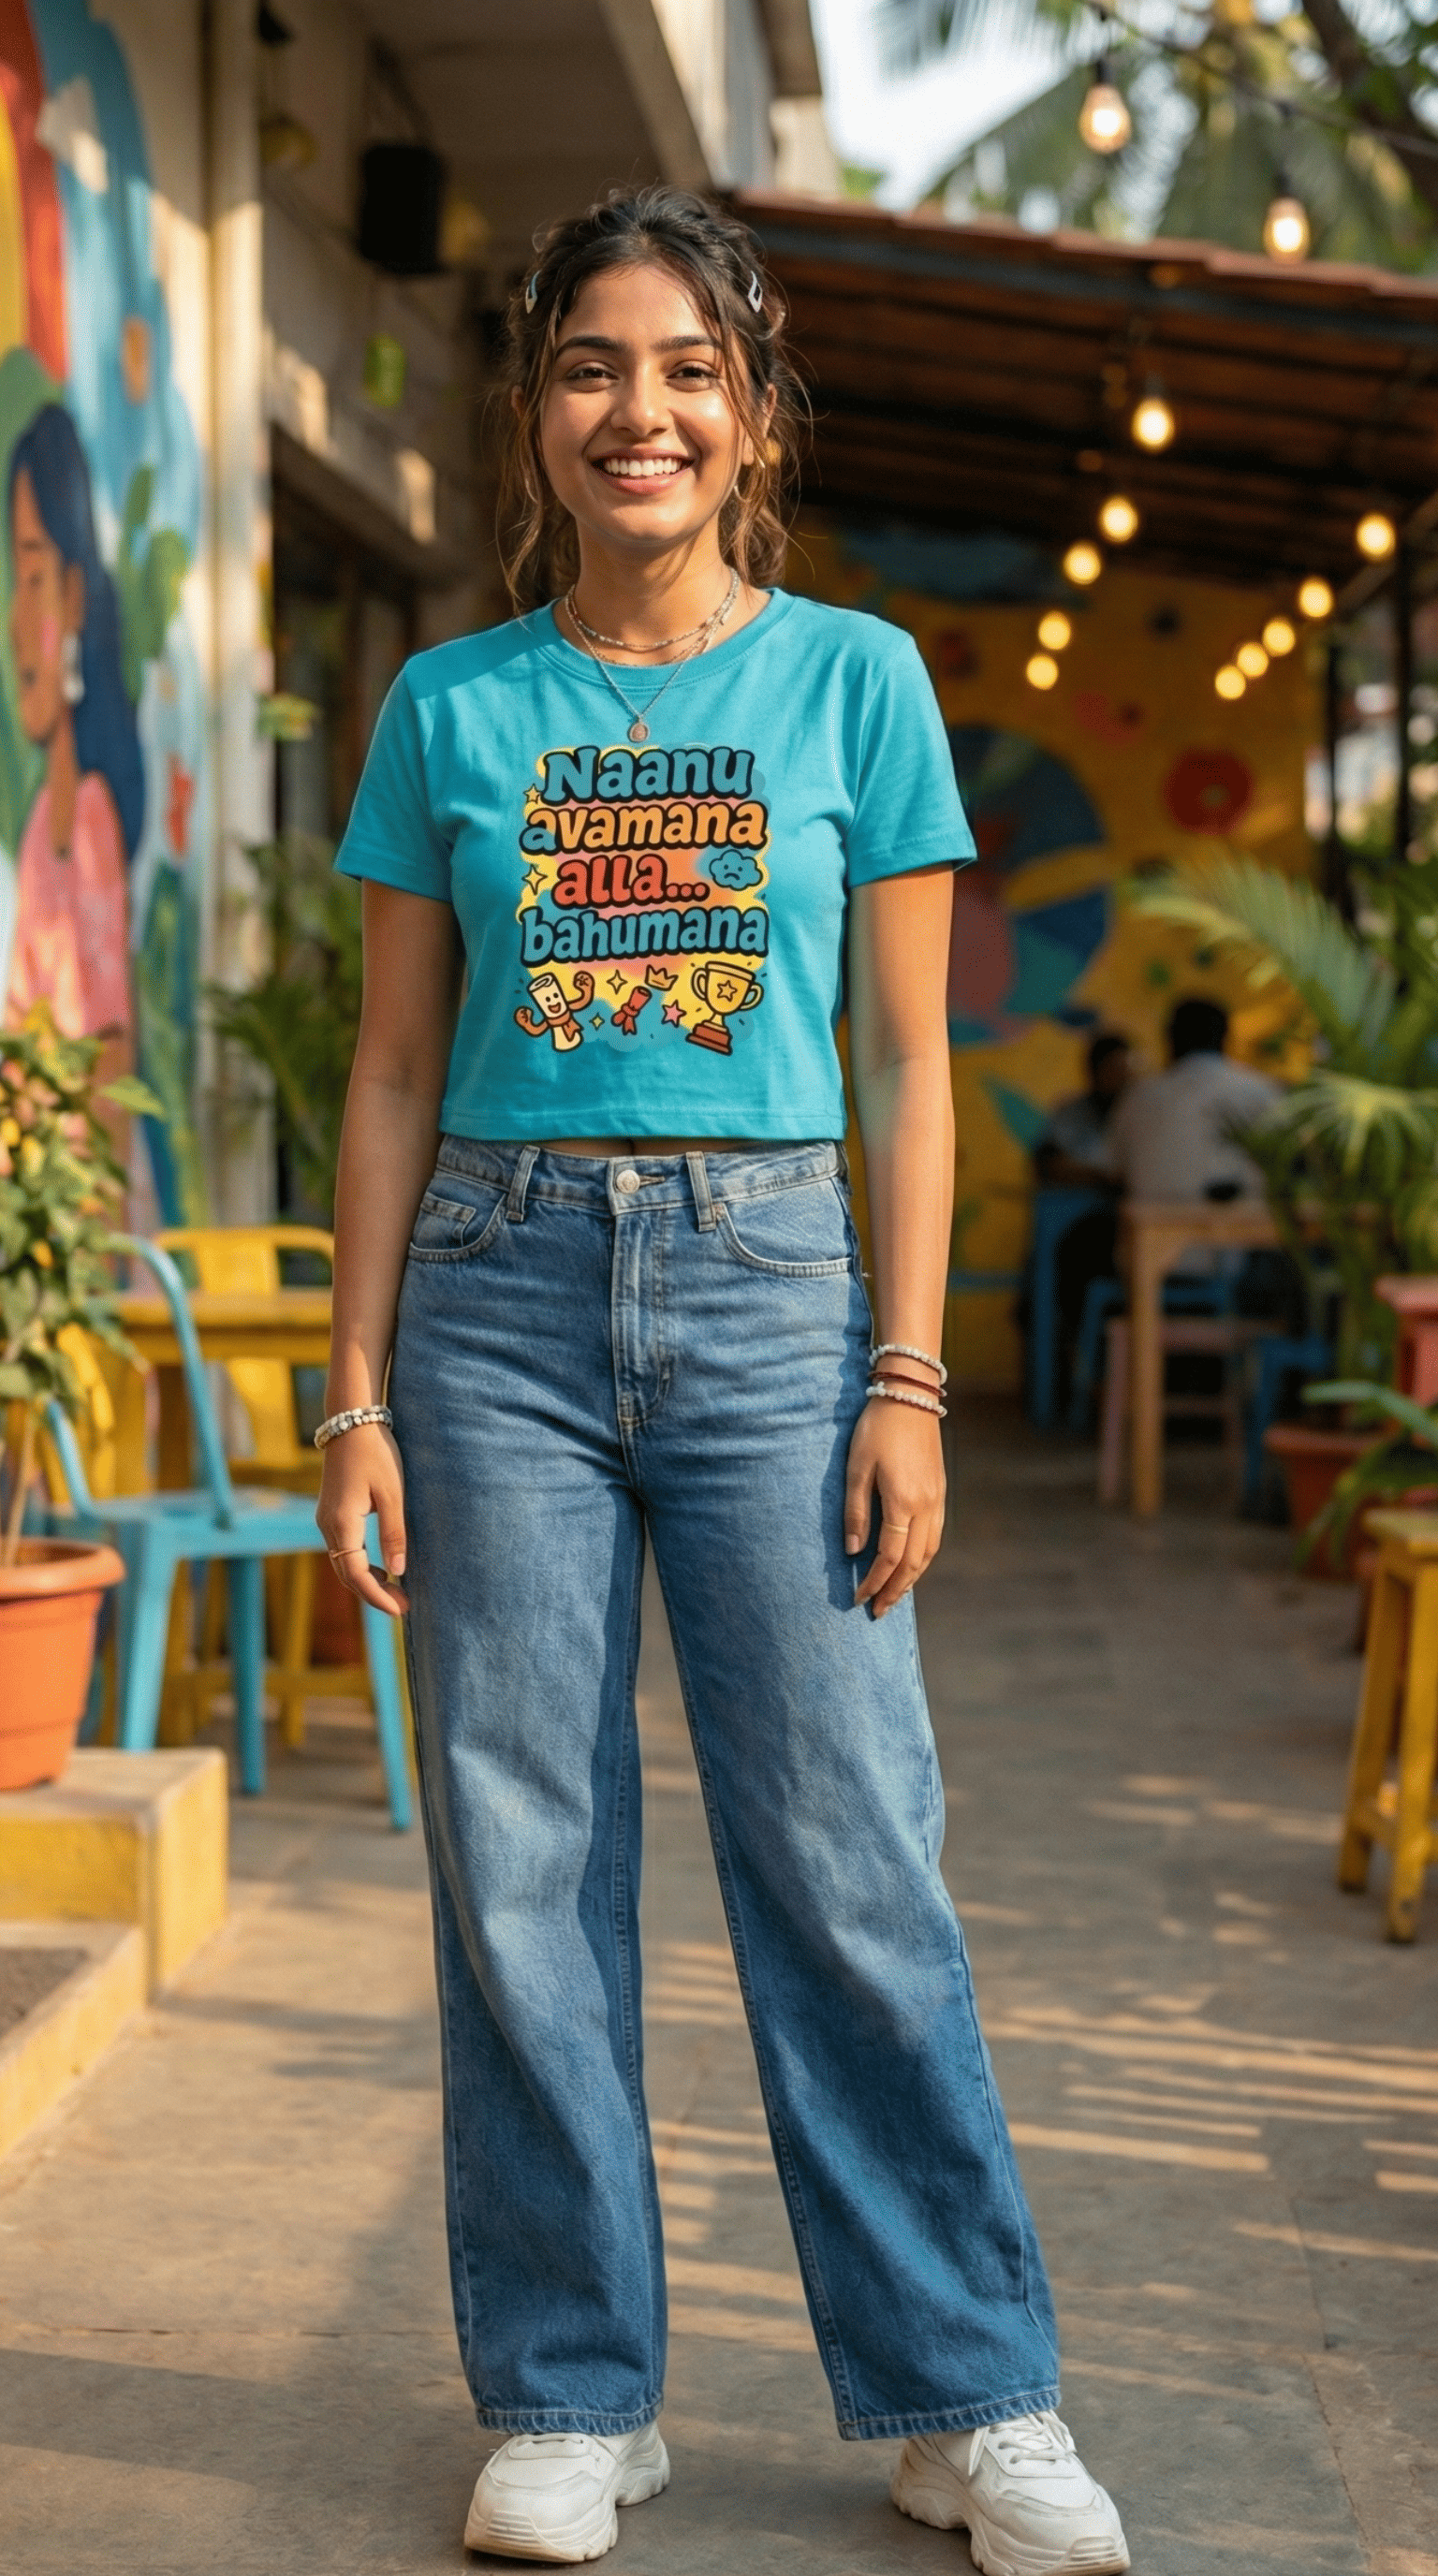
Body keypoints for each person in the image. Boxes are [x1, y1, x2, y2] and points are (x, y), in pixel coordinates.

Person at [316, 186, 1128, 2575]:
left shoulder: (856, 680)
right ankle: (574, 2395)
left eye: (686, 368)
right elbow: (390, 1070)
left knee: (850, 1849)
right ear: (535, 411)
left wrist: (909, 1370)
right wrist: (355, 1392)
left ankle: (968, 2392)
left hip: (778, 1289)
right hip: (493, 1302)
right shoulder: (449, 706)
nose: (637, 410)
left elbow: (907, 1064)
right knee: (522, 1863)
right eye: (591, 365)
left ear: (753, 414)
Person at [5, 404, 144, 1087]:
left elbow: (110, 1069)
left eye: (34, 578)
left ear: (76, 596)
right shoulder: (41, 829)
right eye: (14, 582)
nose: (15, 621)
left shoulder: (91, 821)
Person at [1108, 996, 1280, 1256]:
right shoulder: (1261, 1091)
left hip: (1150, 1257)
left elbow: (1115, 1169)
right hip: (1241, 1253)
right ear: (1226, 1038)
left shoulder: (1139, 1096)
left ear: (1170, 1038)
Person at [1034, 1032, 1130, 1190]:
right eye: (1113, 1068)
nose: (1122, 1076)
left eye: (1124, 1069)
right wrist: (1100, 1177)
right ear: (1094, 1071)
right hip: (1074, 1200)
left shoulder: (1137, 1113)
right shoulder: (1071, 1112)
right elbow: (1047, 1165)